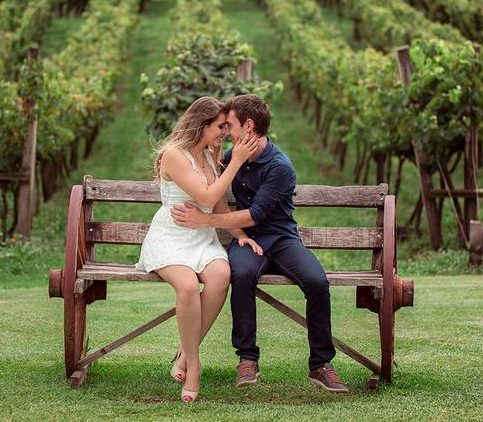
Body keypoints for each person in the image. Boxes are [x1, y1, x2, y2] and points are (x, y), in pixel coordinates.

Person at [171, 94, 349, 393]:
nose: (227, 132)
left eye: (230, 125)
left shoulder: (280, 166)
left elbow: (255, 215)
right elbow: (210, 184)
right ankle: (247, 358)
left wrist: (204, 220)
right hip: (248, 239)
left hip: (281, 239)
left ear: (249, 126)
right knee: (241, 274)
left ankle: (321, 364)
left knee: (317, 281)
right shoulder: (233, 158)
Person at [136, 96, 262, 402]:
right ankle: (193, 365)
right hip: (171, 237)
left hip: (202, 239)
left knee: (221, 276)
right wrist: (235, 162)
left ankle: (184, 354)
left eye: (226, 126)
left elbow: (216, 205)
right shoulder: (173, 155)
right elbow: (205, 197)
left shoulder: (208, 155)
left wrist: (239, 234)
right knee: (189, 287)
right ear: (201, 125)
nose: (225, 133)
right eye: (220, 127)